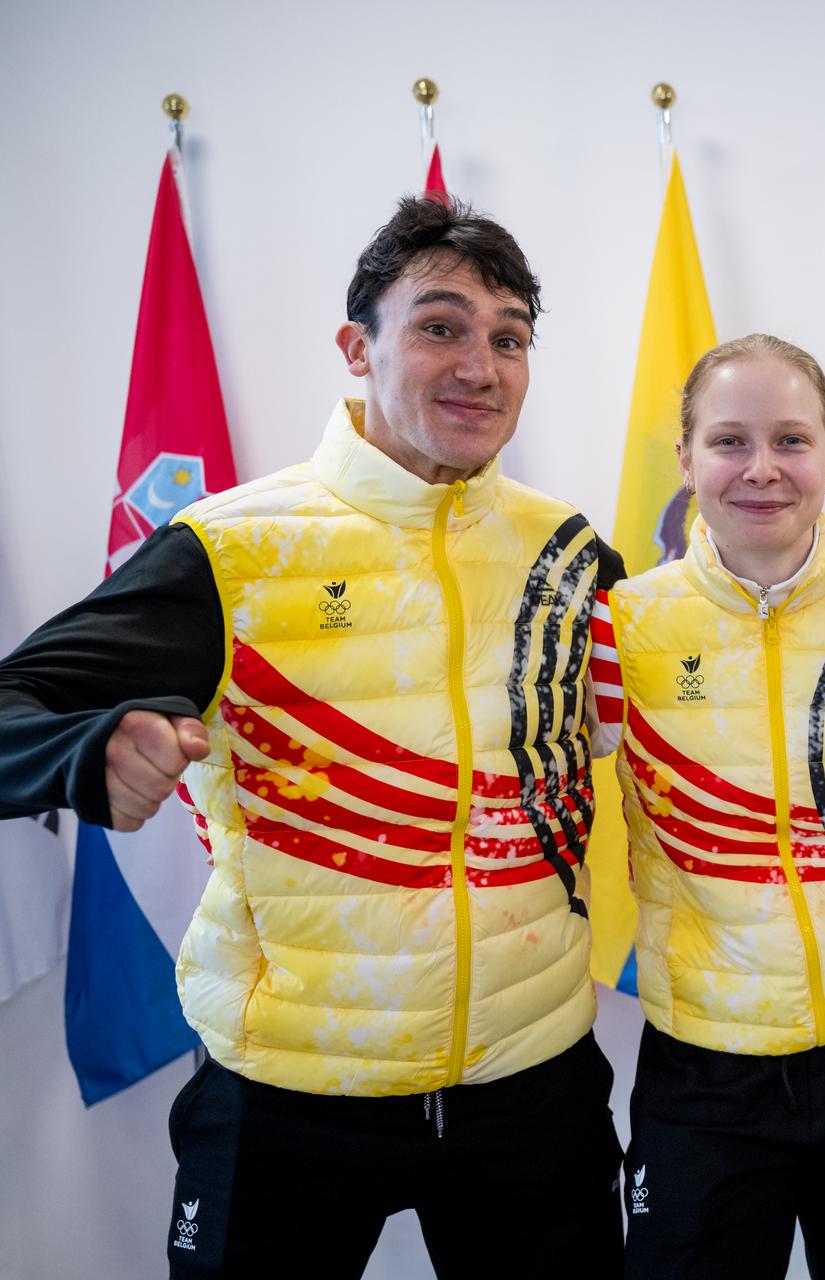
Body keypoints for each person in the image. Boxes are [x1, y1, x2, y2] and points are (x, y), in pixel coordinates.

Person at [0, 196, 626, 1277]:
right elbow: (15, 704)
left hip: (533, 1091)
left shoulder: (568, 554)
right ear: (357, 346)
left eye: (510, 336)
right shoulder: (232, 549)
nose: (481, 361)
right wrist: (87, 746)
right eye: (441, 325)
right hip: (288, 1097)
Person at [598, 333, 825, 1280]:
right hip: (705, 1068)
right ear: (686, 460)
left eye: (792, 441)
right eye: (729, 441)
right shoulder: (622, 629)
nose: (762, 469)